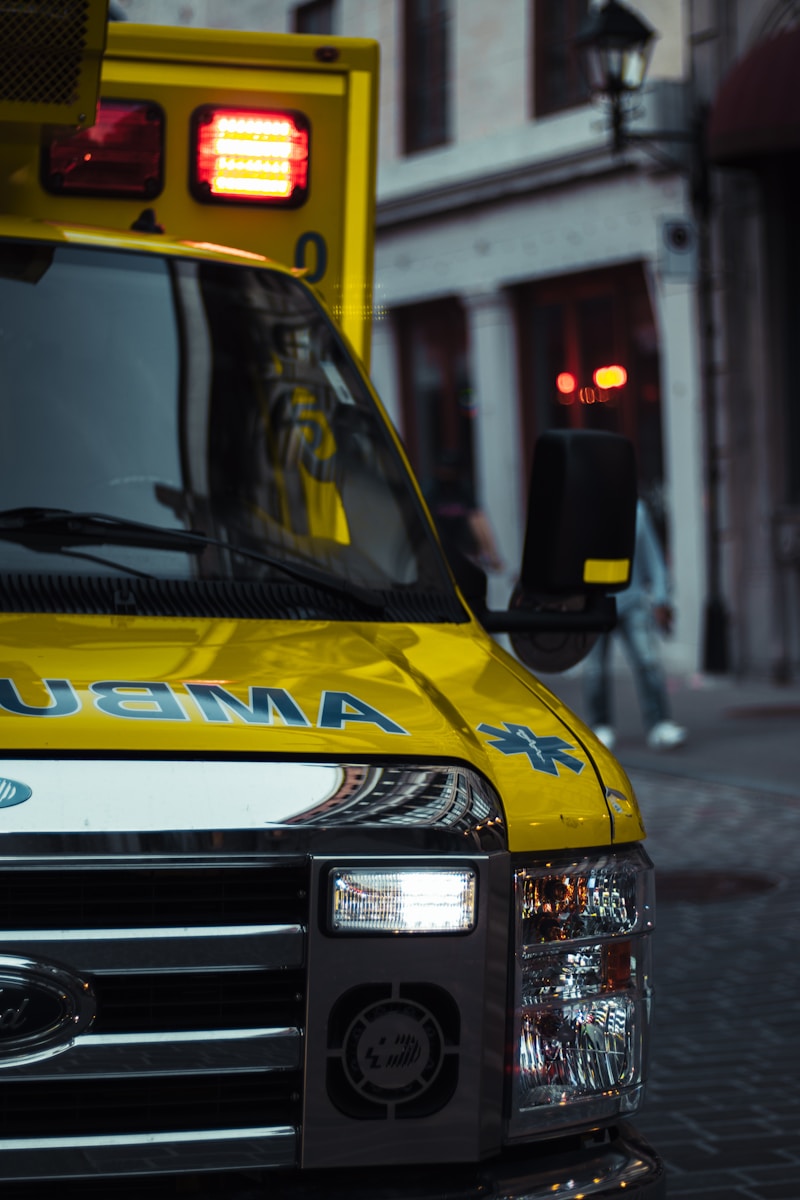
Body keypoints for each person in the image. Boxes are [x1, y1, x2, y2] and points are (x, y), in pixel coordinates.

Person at [583, 498, 687, 752]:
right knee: (595, 669)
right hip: (593, 603)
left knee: (648, 661)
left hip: (632, 601)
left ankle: (660, 723)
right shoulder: (582, 510)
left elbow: (652, 555)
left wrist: (661, 598)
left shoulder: (636, 509)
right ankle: (600, 725)